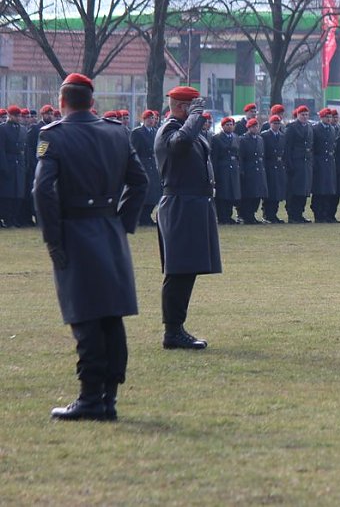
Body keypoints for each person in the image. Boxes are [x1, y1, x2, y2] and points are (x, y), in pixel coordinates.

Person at [33, 73, 148, 420]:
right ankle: (108, 397)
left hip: (75, 232)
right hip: (109, 230)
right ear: (92, 103)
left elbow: (42, 190)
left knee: (85, 317)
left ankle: (89, 398)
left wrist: (53, 238)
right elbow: (140, 181)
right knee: (111, 316)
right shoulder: (117, 133)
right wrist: (122, 223)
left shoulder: (53, 135)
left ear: (62, 102)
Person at [154, 86, 222, 350]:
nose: (201, 115)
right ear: (183, 107)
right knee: (179, 270)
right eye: (196, 109)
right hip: (180, 204)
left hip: (194, 204)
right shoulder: (169, 130)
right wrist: (194, 117)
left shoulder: (187, 130)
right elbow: (180, 144)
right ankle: (172, 332)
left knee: (187, 269)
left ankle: (176, 328)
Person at [129, 109, 161, 226]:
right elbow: (134, 149)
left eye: (152, 118)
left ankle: (147, 215)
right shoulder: (137, 132)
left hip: (154, 164)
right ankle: (142, 217)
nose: (151, 120)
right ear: (144, 119)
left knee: (155, 191)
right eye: (149, 118)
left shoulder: (156, 132)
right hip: (143, 164)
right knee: (147, 191)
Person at [283, 105, 314, 223]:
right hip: (296, 162)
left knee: (304, 190)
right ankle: (293, 214)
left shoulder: (309, 127)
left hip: (306, 162)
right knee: (294, 190)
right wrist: (289, 164)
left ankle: (300, 213)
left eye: (306, 115)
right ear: (297, 115)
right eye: (302, 115)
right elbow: (288, 147)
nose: (305, 117)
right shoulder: (292, 127)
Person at [0, 105, 28, 227]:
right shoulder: (3, 129)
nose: (18, 118)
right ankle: (7, 218)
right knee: (8, 193)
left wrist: (25, 164)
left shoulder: (22, 129)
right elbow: (1, 149)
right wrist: (4, 166)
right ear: (10, 116)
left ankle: (14, 217)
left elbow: (25, 149)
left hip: (19, 162)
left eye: (19, 116)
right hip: (8, 161)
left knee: (18, 192)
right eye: (16, 116)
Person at [210, 117, 242, 224]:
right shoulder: (217, 138)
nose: (229, 127)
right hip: (222, 168)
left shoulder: (236, 137)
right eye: (227, 125)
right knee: (223, 193)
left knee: (232, 193)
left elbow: (238, 154)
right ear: (222, 126)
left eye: (231, 124)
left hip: (233, 168)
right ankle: (222, 217)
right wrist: (214, 173)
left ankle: (229, 216)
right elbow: (214, 157)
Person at [311, 108, 339, 222]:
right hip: (319, 161)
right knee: (319, 190)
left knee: (328, 190)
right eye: (326, 117)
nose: (328, 119)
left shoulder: (332, 129)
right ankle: (318, 214)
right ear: (321, 117)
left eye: (330, 117)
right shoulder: (315, 129)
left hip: (329, 162)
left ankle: (326, 214)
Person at [238, 118, 268, 224]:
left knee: (258, 194)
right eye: (253, 127)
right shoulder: (243, 139)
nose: (255, 128)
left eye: (256, 126)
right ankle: (246, 215)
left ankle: (252, 214)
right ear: (249, 128)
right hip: (249, 168)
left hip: (259, 169)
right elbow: (240, 156)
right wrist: (242, 170)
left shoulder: (260, 139)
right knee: (249, 194)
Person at [260, 115, 287, 223]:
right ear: (270, 124)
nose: (276, 125)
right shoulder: (265, 135)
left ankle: (274, 214)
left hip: (279, 165)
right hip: (269, 165)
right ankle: (267, 214)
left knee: (277, 192)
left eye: (278, 123)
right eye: (274, 123)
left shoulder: (282, 136)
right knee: (270, 191)